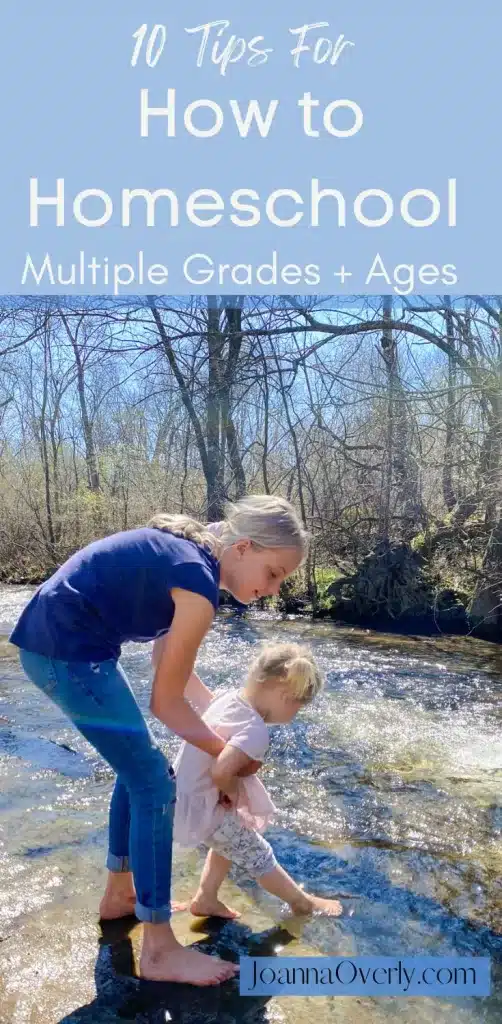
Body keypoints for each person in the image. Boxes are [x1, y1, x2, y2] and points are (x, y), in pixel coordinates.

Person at [9, 495, 307, 986]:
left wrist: (226, 725)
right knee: (154, 784)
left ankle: (120, 896)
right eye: (273, 573)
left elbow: (170, 674)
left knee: (139, 770)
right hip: (65, 649)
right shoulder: (198, 583)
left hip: (61, 644)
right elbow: (165, 704)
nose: (273, 588)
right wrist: (229, 754)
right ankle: (160, 950)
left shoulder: (194, 562)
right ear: (245, 547)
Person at [171, 641, 343, 920]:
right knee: (259, 855)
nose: (294, 715)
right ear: (284, 694)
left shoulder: (228, 698)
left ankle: (206, 897)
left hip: (181, 796)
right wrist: (234, 793)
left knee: (233, 837)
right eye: (297, 707)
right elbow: (221, 771)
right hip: (203, 809)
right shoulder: (255, 730)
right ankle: (303, 904)